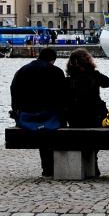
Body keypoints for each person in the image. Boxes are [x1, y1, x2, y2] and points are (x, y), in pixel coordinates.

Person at [10, 47, 66, 177]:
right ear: (52, 60)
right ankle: (53, 167)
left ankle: (47, 168)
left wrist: (16, 111)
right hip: (50, 116)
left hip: (27, 117)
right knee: (50, 131)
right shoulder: (56, 72)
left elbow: (14, 91)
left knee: (42, 131)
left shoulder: (22, 71)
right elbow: (62, 96)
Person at [64, 48, 109, 176]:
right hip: (95, 116)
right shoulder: (94, 75)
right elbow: (108, 83)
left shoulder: (69, 80)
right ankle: (92, 159)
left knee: (81, 136)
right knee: (95, 135)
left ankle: (86, 159)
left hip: (76, 118)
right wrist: (94, 72)